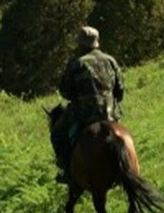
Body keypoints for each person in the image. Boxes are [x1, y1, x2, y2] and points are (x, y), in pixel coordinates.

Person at [52, 26, 124, 184]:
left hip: (84, 115)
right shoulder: (111, 60)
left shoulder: (76, 64)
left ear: (80, 44)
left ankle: (66, 170)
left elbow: (65, 92)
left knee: (57, 133)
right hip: (111, 114)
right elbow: (120, 90)